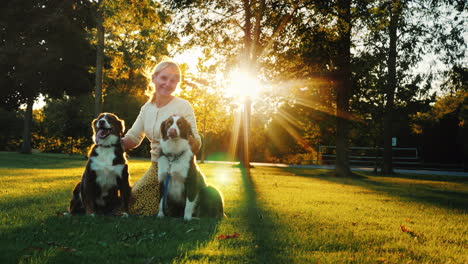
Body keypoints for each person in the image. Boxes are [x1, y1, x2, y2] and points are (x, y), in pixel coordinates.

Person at [121, 61, 201, 216]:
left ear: (177, 83)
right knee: (131, 202)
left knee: (145, 209)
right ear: (154, 78)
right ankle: (168, 208)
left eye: (173, 80)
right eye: (164, 78)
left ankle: (175, 209)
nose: (167, 84)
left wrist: (192, 142)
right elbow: (133, 137)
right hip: (157, 166)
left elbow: (196, 140)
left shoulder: (183, 106)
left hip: (179, 165)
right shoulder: (146, 108)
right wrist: (111, 143)